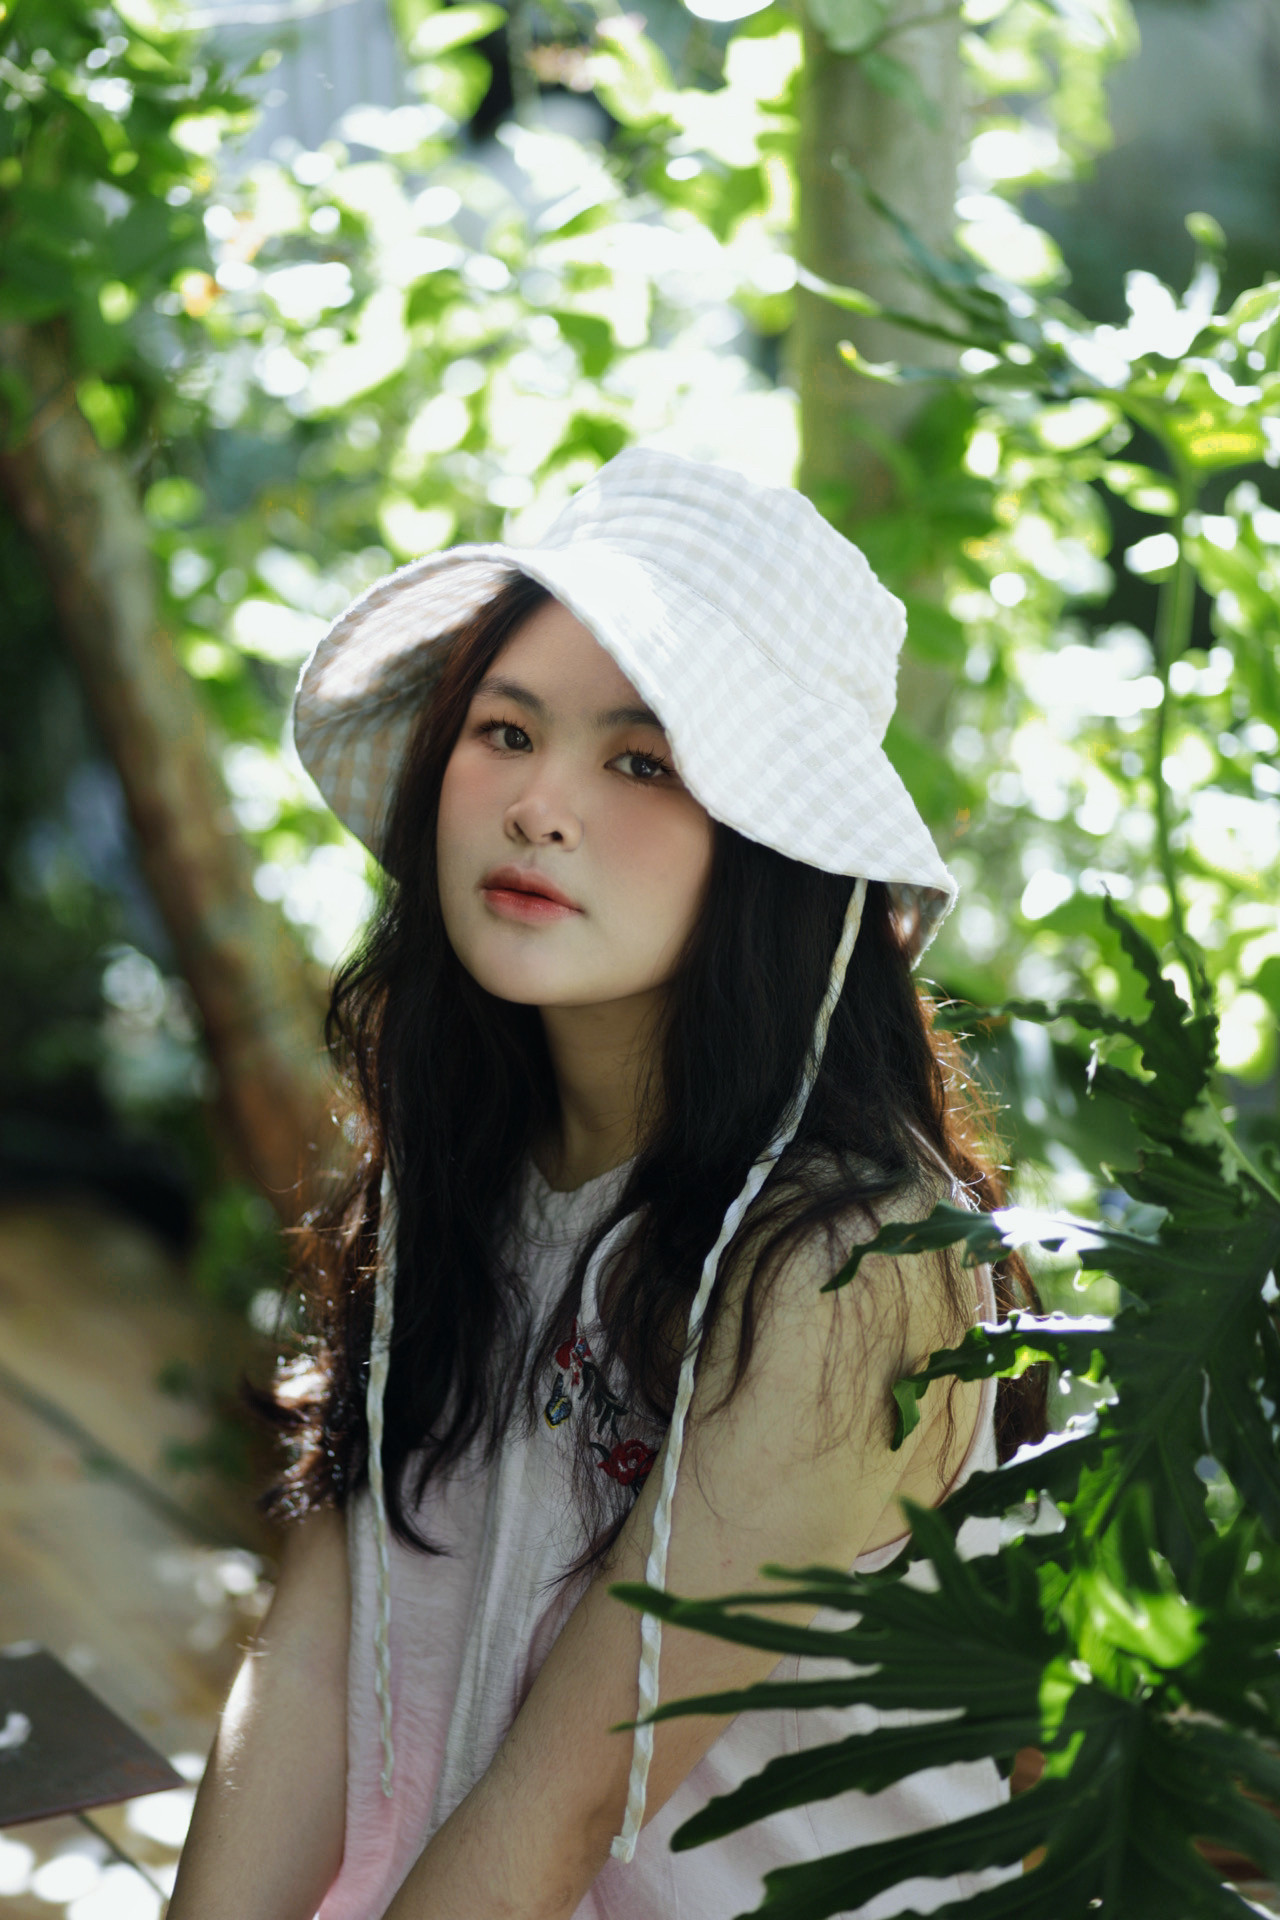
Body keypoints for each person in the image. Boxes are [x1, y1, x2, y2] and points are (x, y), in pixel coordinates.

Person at [168, 449, 1045, 1920]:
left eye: (643, 762)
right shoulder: (469, 1160)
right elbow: (312, 1656)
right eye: (505, 731)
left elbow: (564, 1802)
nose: (538, 805)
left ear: (774, 850)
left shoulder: (851, 1259)